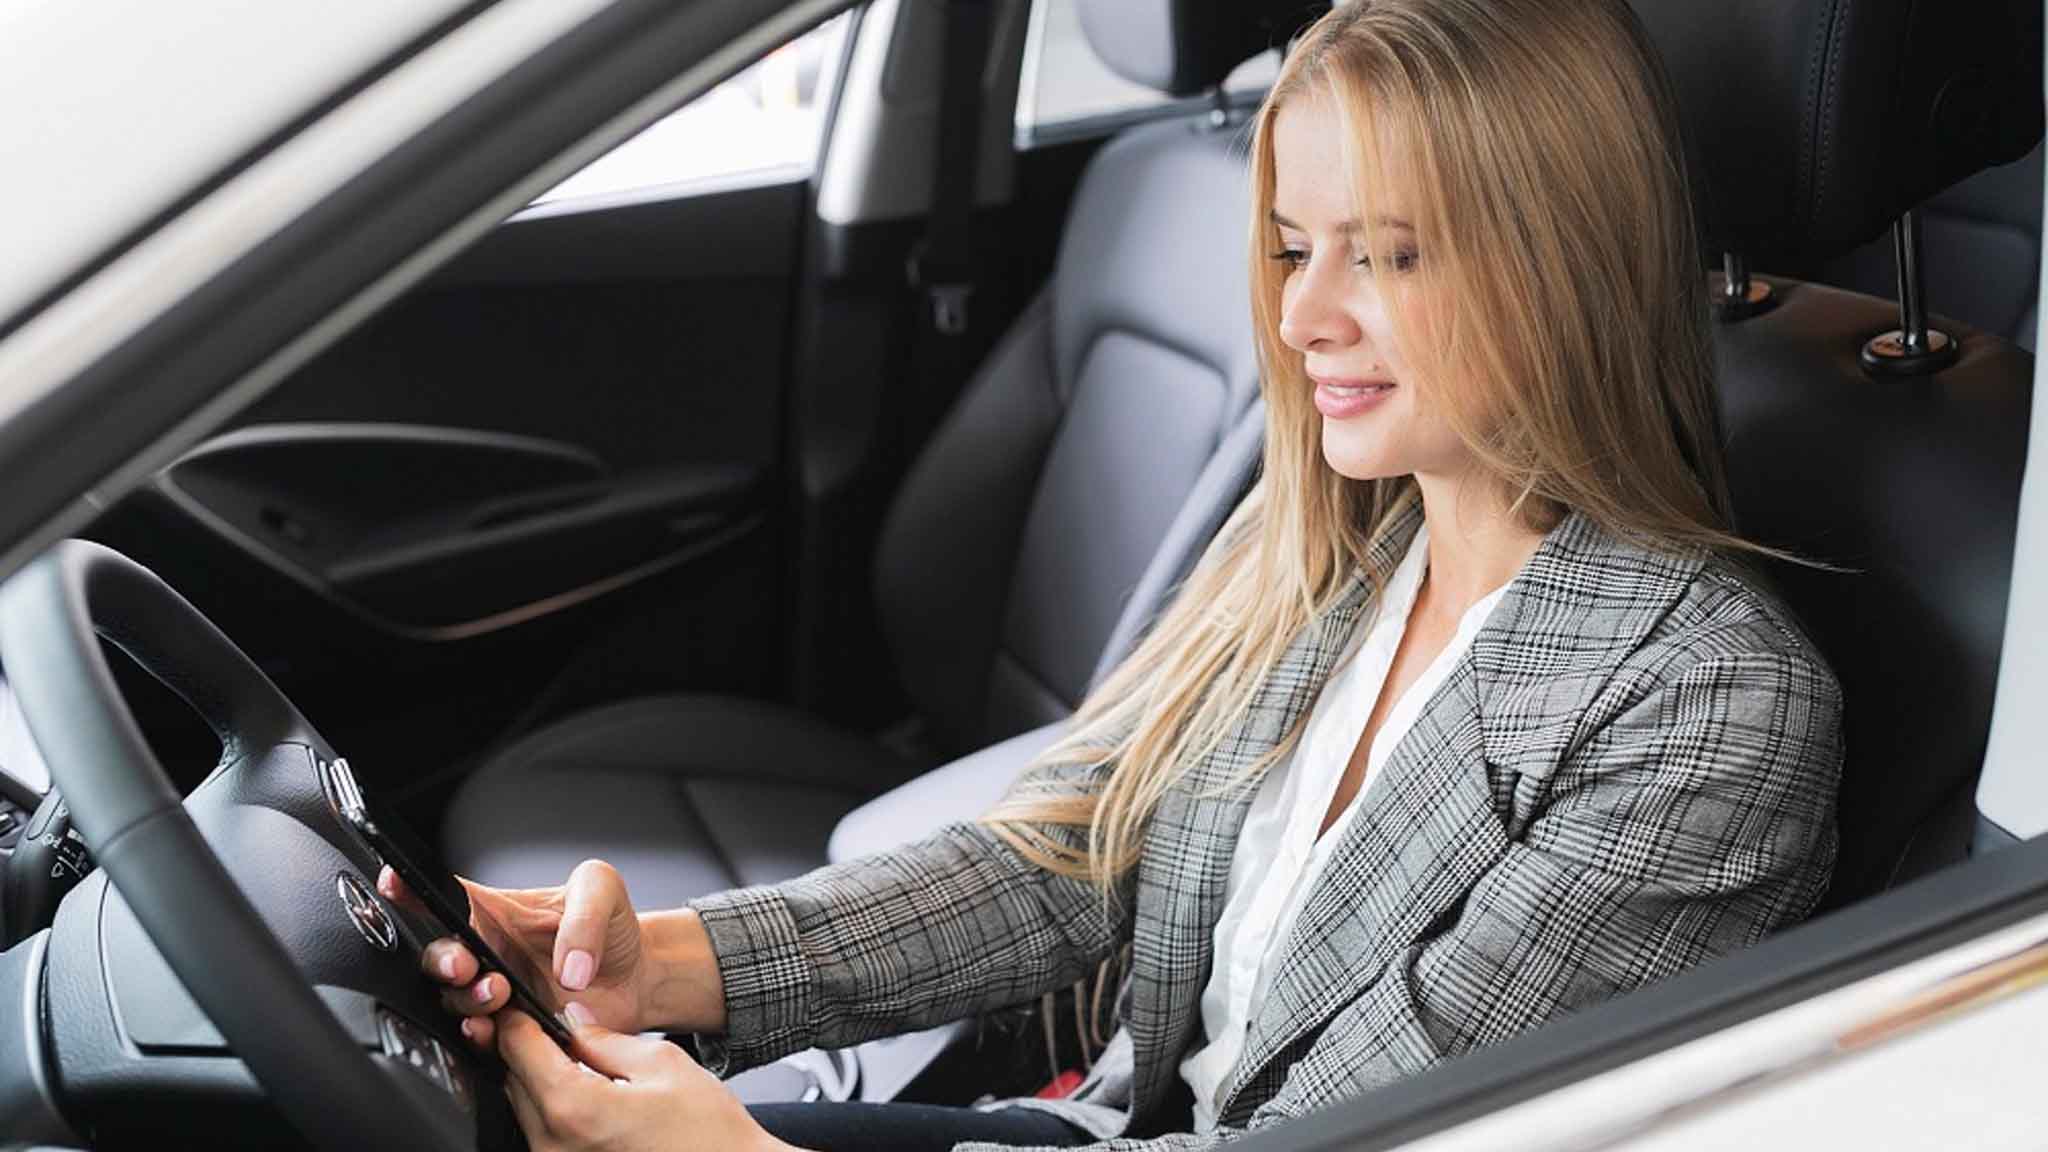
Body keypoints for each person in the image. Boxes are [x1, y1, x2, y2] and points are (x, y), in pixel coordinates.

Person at [385, 0, 1844, 1147]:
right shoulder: (1338, 535)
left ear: (1563, 265)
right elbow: (1073, 856)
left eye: (1391, 257)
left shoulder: (1707, 710)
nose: (1303, 318)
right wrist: (660, 964)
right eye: (1293, 249)